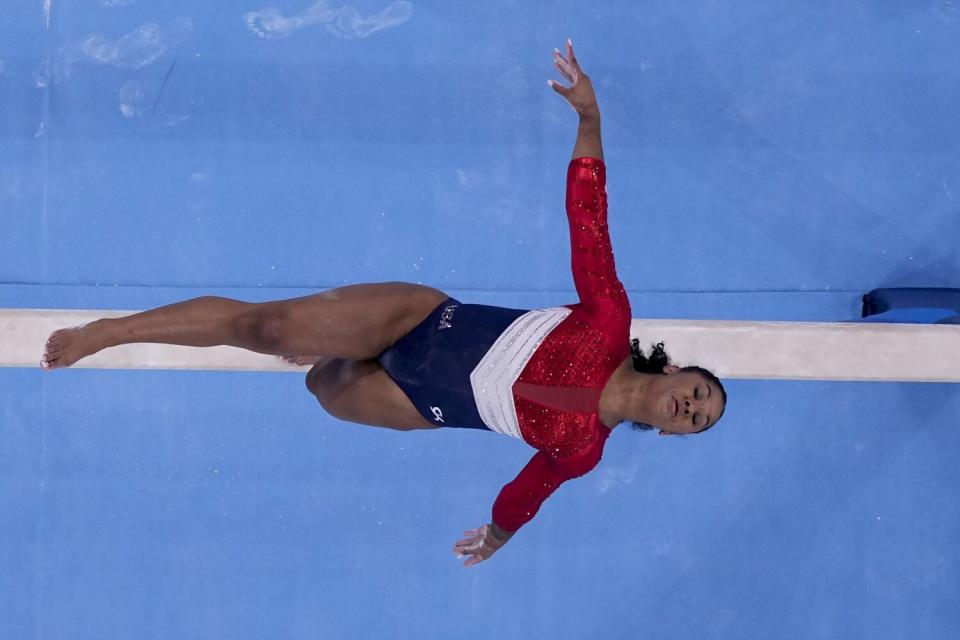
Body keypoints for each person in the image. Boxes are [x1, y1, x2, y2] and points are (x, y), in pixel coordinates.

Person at [40, 40, 727, 567]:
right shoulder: (609, 323)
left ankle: (334, 351)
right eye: (698, 393)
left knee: (319, 383)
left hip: (422, 405)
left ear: (672, 433)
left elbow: (529, 493)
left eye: (695, 421)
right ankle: (112, 330)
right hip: (423, 321)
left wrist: (496, 533)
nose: (690, 407)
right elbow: (589, 224)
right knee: (268, 326)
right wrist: (589, 119)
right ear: (675, 372)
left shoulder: (582, 454)